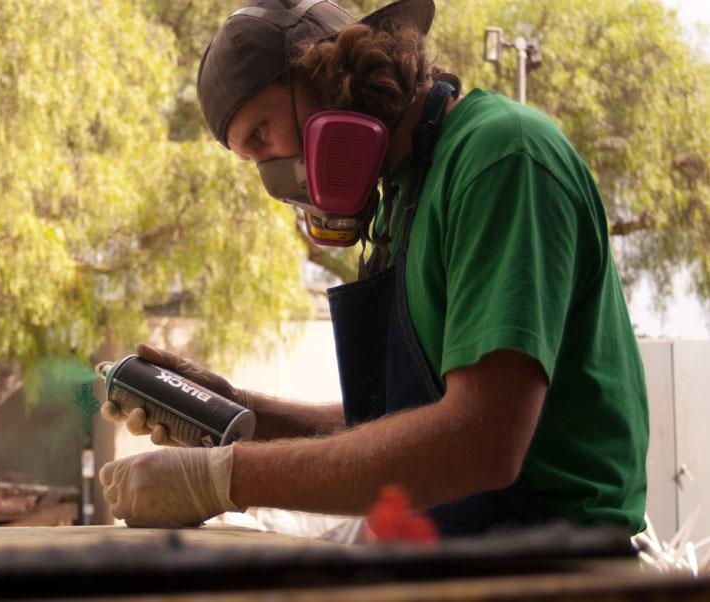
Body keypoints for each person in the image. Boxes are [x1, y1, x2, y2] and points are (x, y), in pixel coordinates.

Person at [98, 0, 649, 537]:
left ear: (327, 76)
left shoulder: (503, 158)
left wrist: (224, 479)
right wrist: (236, 412)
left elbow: (478, 441)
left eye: (261, 136)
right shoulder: (406, 193)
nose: (271, 179)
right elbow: (400, 426)